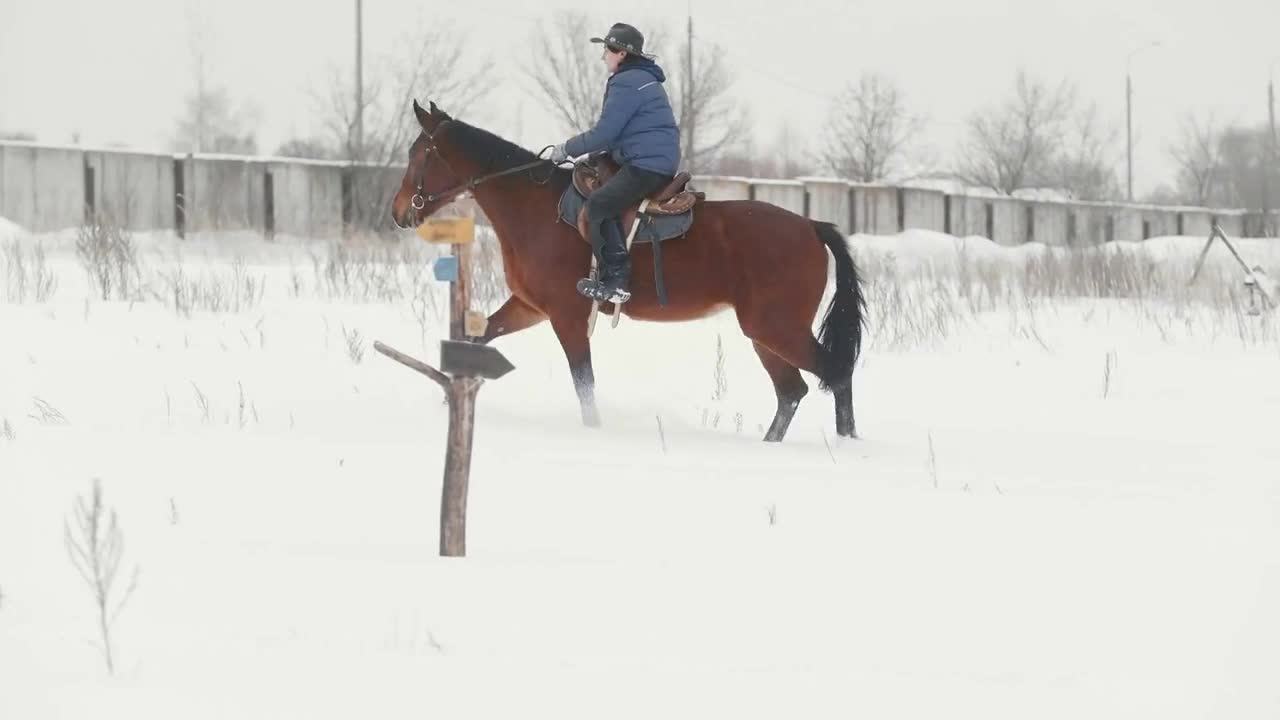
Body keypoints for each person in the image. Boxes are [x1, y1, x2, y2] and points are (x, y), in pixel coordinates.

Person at [549, 22, 681, 304]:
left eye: (607, 50)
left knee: (598, 205)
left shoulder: (627, 81)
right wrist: (595, 155)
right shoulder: (642, 79)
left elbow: (604, 133)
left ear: (621, 53)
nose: (603, 56)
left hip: (647, 165)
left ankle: (616, 280)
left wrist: (566, 149)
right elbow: (618, 134)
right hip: (651, 159)